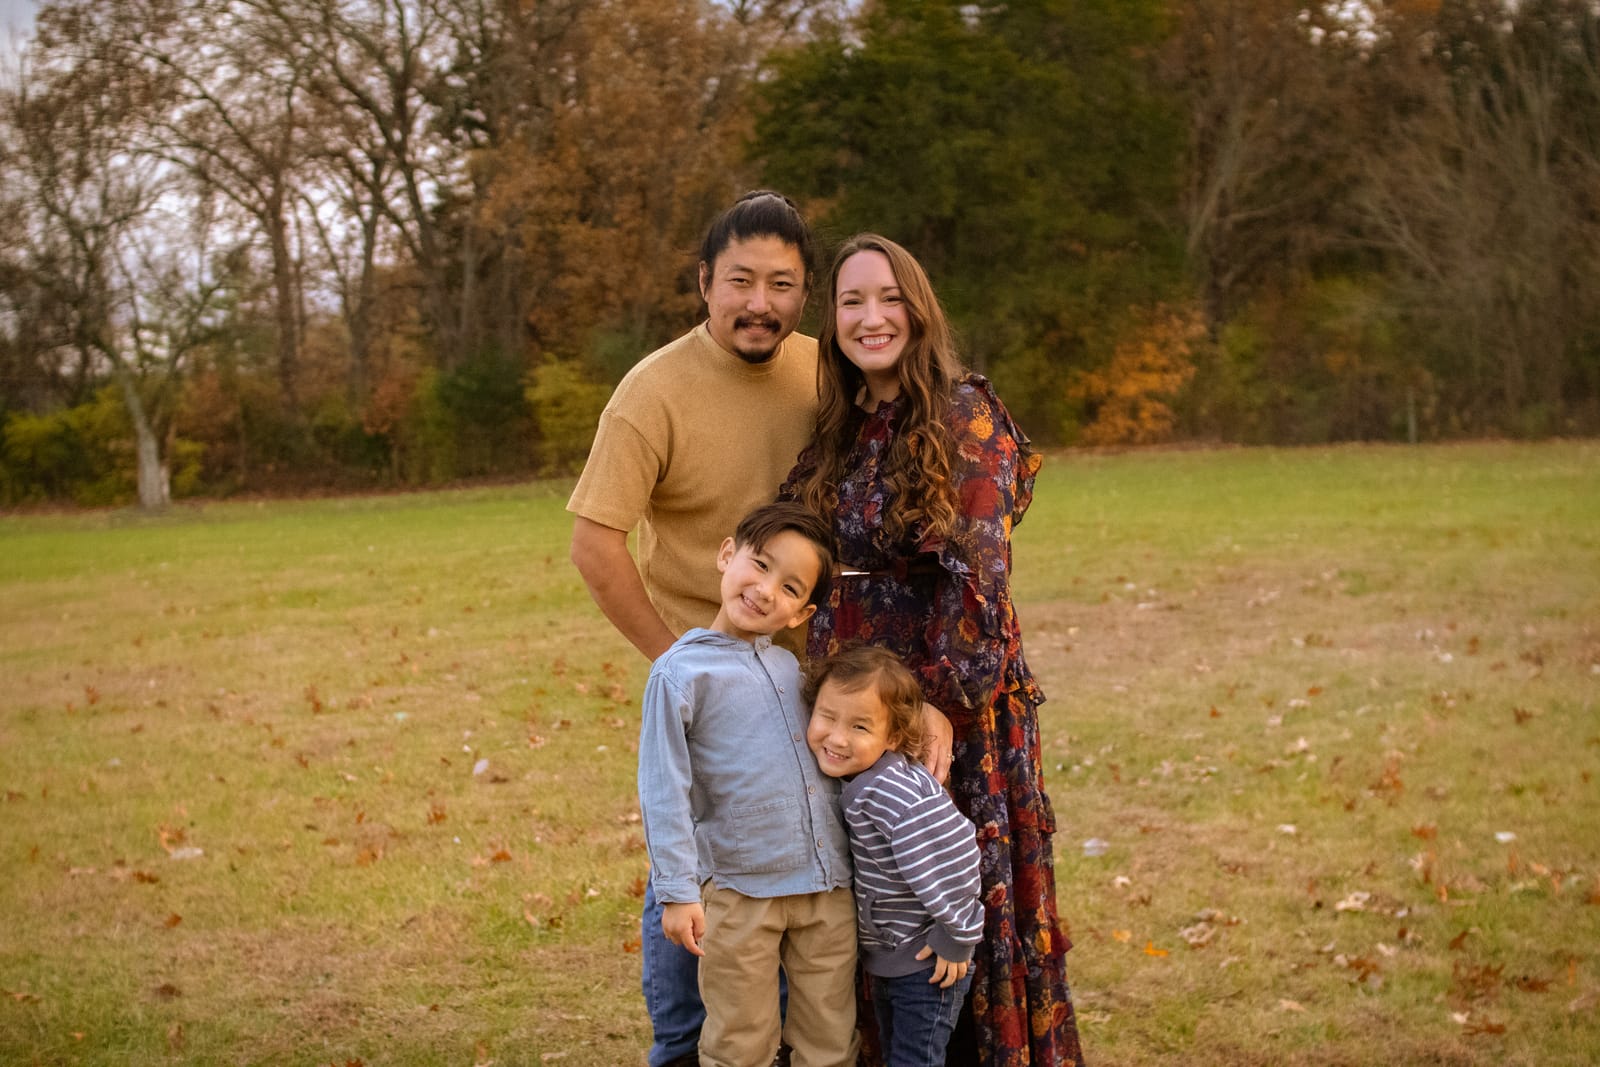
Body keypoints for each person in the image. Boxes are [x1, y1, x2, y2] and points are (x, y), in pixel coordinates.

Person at [781, 234, 1086, 1066]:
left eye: (888, 297)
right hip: (849, 703)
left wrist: (938, 709)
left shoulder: (963, 413)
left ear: (920, 307)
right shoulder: (843, 427)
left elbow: (981, 581)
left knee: (938, 912)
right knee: (872, 903)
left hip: (943, 708)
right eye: (851, 302)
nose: (871, 317)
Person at [566, 191, 825, 1067]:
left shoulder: (825, 375)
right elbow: (595, 541)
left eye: (782, 284)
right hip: (711, 685)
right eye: (741, 280)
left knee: (802, 895)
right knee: (694, 866)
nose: (761, 301)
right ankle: (680, 1049)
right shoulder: (653, 391)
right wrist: (677, 657)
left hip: (810, 689)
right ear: (704, 283)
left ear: (804, 293)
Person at [638, 502, 858, 1067]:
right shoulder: (680, 673)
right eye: (759, 565)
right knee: (741, 1038)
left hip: (825, 889)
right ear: (726, 555)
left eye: (788, 588)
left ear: (800, 613)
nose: (765, 590)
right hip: (741, 893)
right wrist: (678, 891)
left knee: (829, 1036)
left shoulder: (794, 671)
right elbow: (664, 789)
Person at [803, 644, 982, 1067]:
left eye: (860, 727)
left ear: (894, 738)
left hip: (927, 964)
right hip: (893, 959)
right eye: (827, 716)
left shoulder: (893, 793)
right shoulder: (862, 778)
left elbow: (957, 853)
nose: (837, 737)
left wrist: (957, 935)